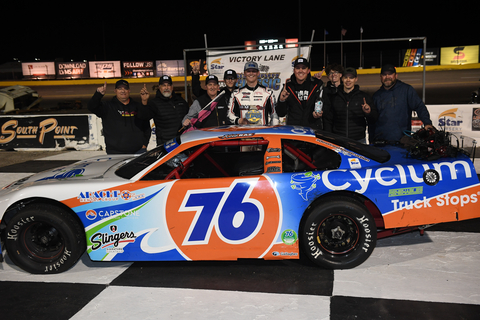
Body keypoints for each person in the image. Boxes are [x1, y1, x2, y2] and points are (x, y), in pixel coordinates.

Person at [371, 64, 433, 142]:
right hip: (381, 142)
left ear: (396, 76)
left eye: (390, 74)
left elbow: (419, 106)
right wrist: (371, 140)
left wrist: (427, 122)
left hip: (402, 141)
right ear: (380, 77)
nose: (387, 77)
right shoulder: (376, 96)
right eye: (384, 75)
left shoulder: (406, 90)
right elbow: (372, 120)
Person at [88, 80, 151, 154]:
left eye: (125, 88)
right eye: (120, 88)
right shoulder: (107, 106)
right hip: (114, 152)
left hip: (138, 151)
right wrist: (98, 94)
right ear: (115, 91)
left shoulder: (137, 106)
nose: (123, 91)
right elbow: (91, 107)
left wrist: (144, 145)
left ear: (129, 90)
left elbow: (146, 125)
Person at [323, 68, 378, 143]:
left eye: (351, 78)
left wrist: (368, 112)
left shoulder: (364, 97)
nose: (348, 80)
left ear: (356, 79)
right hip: (339, 141)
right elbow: (328, 120)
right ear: (342, 78)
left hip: (359, 141)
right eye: (346, 77)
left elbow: (373, 119)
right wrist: (329, 138)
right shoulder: (334, 97)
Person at [276, 58, 327, 130]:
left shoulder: (317, 84)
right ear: (294, 70)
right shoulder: (287, 87)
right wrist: (281, 101)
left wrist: (320, 113)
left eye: (303, 68)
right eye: (297, 68)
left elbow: (327, 106)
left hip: (313, 130)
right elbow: (280, 113)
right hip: (294, 131)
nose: (300, 71)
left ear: (308, 70)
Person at [139, 75, 189, 145]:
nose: (166, 88)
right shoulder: (154, 103)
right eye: (163, 85)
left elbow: (190, 116)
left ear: (172, 87)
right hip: (165, 145)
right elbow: (143, 117)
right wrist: (144, 101)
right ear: (159, 88)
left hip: (183, 143)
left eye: (168, 85)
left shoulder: (181, 101)